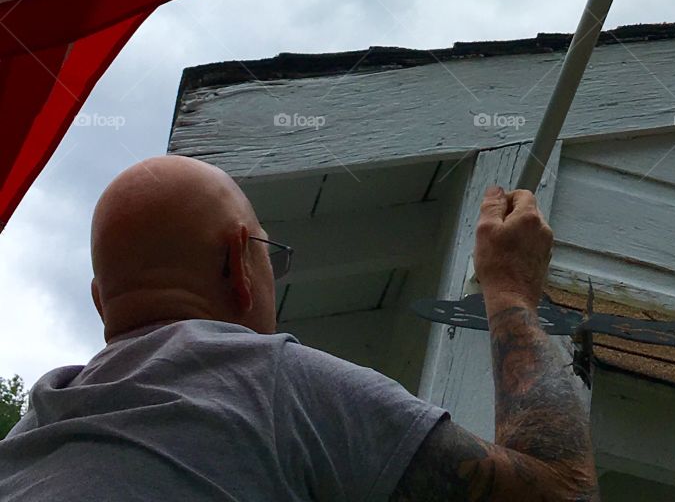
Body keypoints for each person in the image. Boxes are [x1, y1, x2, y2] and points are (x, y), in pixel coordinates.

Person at [0, 154, 599, 500]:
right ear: (239, 262)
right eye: (270, 256)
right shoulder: (271, 384)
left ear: (102, 303)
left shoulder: (28, 441)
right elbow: (563, 492)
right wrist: (512, 289)